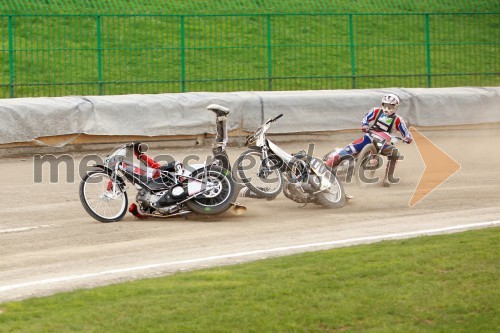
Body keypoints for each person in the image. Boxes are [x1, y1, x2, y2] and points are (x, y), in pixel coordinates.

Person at [324, 93, 413, 187]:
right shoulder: (376, 111)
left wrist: (408, 138)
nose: (387, 108)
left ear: (395, 107)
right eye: (385, 105)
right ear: (382, 104)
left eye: (390, 106)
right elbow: (366, 118)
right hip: (369, 137)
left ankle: (388, 177)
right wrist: (365, 125)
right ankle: (326, 166)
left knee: (395, 153)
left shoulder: (398, 120)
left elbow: (406, 133)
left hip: (384, 143)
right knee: (347, 151)